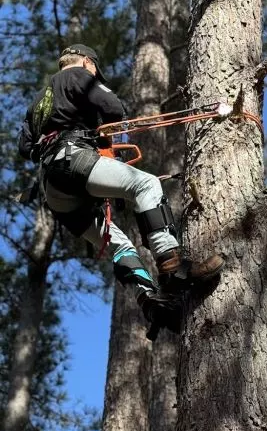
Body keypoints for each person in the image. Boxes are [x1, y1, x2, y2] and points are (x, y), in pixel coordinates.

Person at [18, 44, 222, 337]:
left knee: (120, 244)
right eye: (94, 70)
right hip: (74, 159)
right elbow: (112, 107)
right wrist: (102, 140)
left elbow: (24, 148)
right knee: (146, 184)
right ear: (88, 63)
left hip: (53, 189)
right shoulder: (78, 74)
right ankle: (172, 267)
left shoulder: (37, 102)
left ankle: (152, 302)